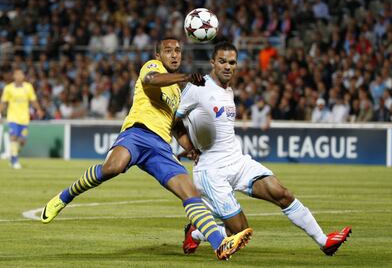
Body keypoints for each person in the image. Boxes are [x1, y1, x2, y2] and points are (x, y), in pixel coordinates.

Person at [40, 37, 252, 260]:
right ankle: (65, 197)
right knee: (113, 167)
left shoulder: (178, 92)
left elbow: (176, 125)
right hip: (137, 134)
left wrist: (190, 148)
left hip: (160, 147)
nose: (174, 54)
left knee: (189, 192)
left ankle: (220, 245)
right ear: (158, 55)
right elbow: (152, 81)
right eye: (168, 50)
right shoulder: (152, 67)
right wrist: (187, 77)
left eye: (178, 51)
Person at [176, 41, 351, 257]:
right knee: (240, 232)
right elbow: (173, 118)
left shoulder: (228, 91)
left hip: (238, 161)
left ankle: (325, 241)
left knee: (282, 193)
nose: (228, 66)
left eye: (232, 62)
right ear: (212, 62)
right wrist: (187, 145)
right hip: (212, 171)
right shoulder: (197, 87)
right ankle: (195, 234)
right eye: (222, 61)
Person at [0, 69, 44, 169]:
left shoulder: (28, 87)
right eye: (17, 74)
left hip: (24, 119)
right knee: (13, 137)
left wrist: (39, 109)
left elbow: (33, 100)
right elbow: (3, 102)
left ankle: (12, 155)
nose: (20, 76)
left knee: (22, 141)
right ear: (14, 76)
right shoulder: (8, 88)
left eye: (21, 74)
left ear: (23, 76)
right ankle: (15, 160)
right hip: (12, 118)